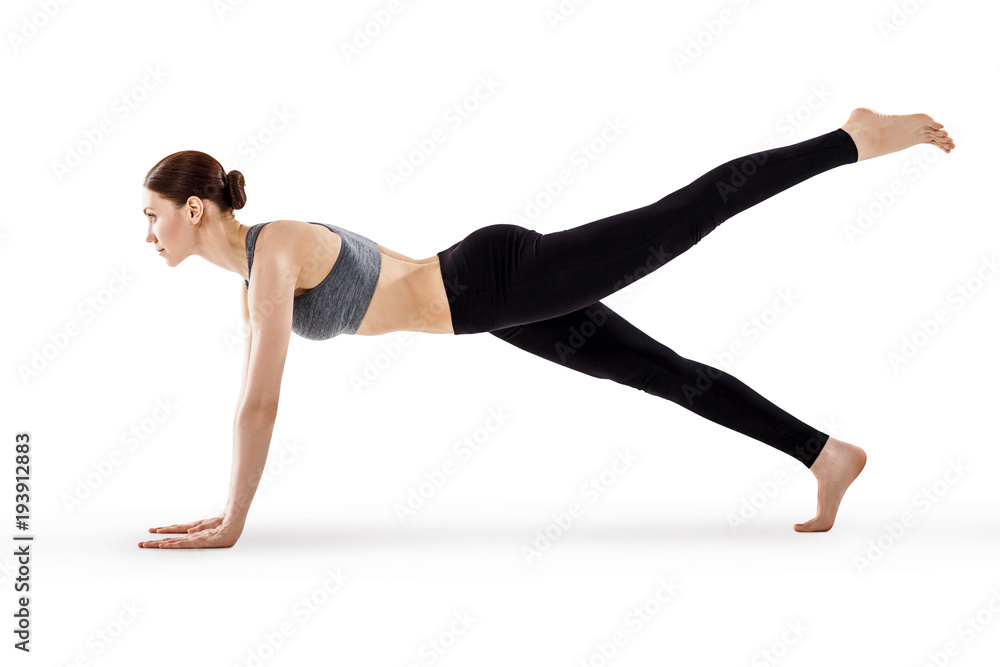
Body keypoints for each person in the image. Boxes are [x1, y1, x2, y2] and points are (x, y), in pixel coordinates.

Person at [137, 107, 954, 549]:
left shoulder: (272, 251)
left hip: (492, 282)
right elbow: (280, 370)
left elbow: (258, 405)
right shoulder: (258, 272)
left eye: (153, 216)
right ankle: (825, 453)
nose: (149, 232)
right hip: (490, 305)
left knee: (683, 216)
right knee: (667, 373)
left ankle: (853, 138)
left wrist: (232, 520)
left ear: (195, 208)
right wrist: (231, 510)